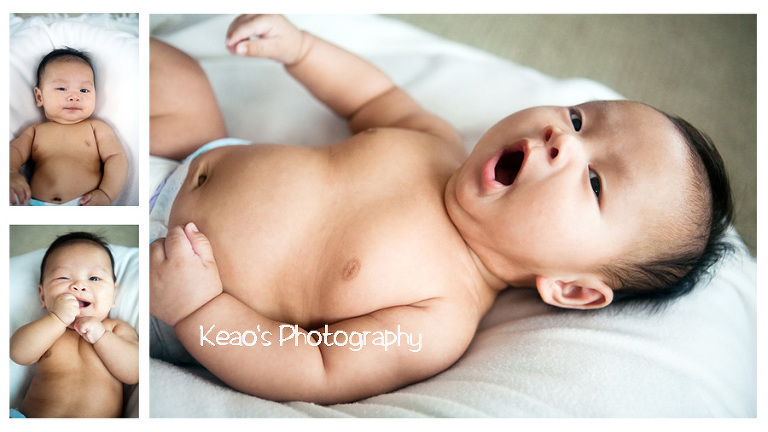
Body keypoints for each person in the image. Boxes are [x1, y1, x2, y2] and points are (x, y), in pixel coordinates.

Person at [149, 15, 732, 404]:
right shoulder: (433, 141)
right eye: (579, 118)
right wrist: (300, 49)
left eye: (597, 182)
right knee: (173, 70)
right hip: (194, 150)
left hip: (172, 277)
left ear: (573, 289)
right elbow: (370, 96)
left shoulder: (438, 317)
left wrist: (201, 309)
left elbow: (315, 365)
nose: (565, 138)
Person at [10, 232, 139, 417]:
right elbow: (17, 353)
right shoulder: (48, 330)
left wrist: (102, 337)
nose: (79, 285)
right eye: (63, 278)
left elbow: (135, 371)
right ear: (42, 296)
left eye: (94, 278)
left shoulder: (116, 328)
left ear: (113, 294)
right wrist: (57, 319)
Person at [9, 48, 127, 206]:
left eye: (84, 90)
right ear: (39, 97)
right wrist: (10, 172)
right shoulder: (35, 131)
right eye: (62, 88)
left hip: (84, 204)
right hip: (35, 205)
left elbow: (116, 158)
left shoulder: (96, 128)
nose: (74, 96)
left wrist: (106, 193)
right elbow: (14, 151)